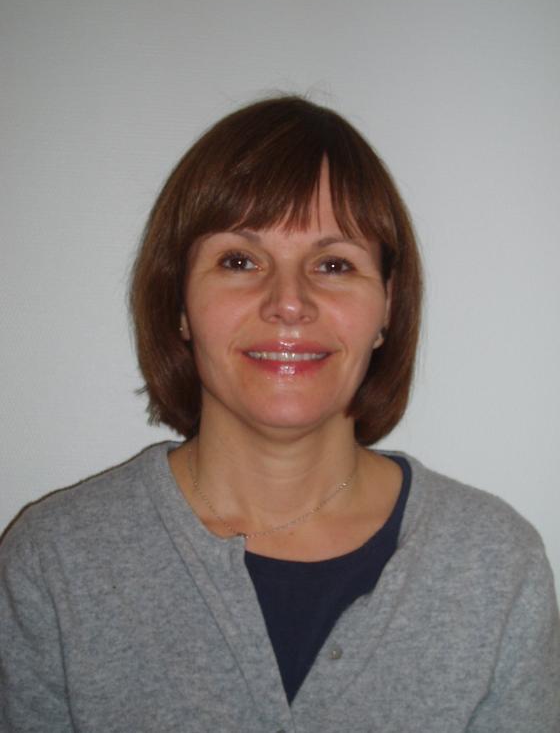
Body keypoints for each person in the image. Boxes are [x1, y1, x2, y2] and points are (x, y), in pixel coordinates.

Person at [1, 96, 558, 733]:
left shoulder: (494, 567)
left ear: (386, 308)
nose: (289, 303)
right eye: (239, 261)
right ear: (180, 303)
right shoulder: (56, 565)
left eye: (333, 264)